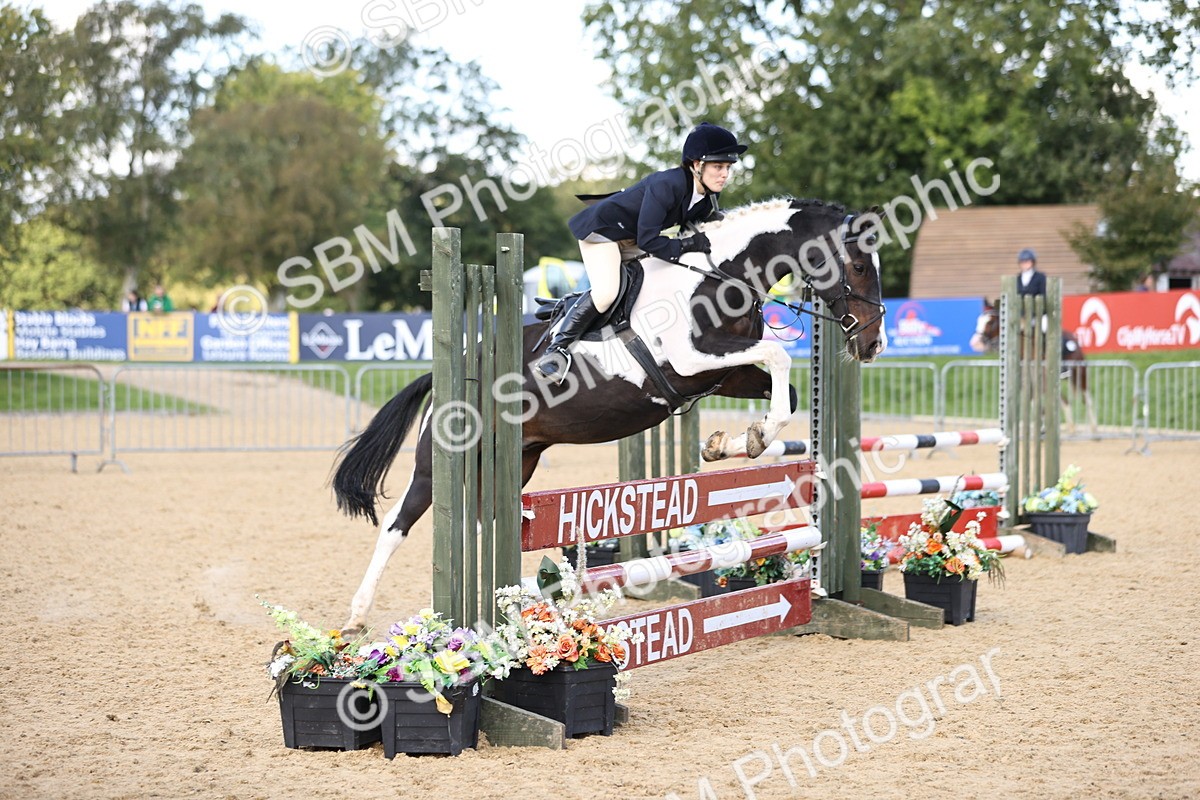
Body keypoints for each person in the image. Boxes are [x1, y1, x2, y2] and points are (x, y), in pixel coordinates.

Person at [533, 121, 747, 381]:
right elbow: (650, 241)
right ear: (696, 165)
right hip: (603, 233)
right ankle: (556, 351)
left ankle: (572, 306)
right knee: (606, 293)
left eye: (727, 167)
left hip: (631, 238)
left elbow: (692, 234)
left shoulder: (705, 197)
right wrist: (687, 245)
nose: (724, 174)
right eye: (718, 166)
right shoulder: (667, 185)